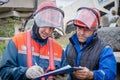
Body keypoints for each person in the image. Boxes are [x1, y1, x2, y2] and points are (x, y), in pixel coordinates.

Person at [0, 1, 67, 80]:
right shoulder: (17, 41)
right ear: (37, 21)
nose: (48, 31)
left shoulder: (58, 49)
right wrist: (25, 72)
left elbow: (65, 74)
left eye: (52, 28)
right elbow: (4, 72)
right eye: (45, 25)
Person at [61, 7, 117, 80]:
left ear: (95, 31)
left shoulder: (104, 49)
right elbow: (62, 66)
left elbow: (110, 74)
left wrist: (92, 75)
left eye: (86, 30)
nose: (81, 33)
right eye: (79, 28)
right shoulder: (70, 45)